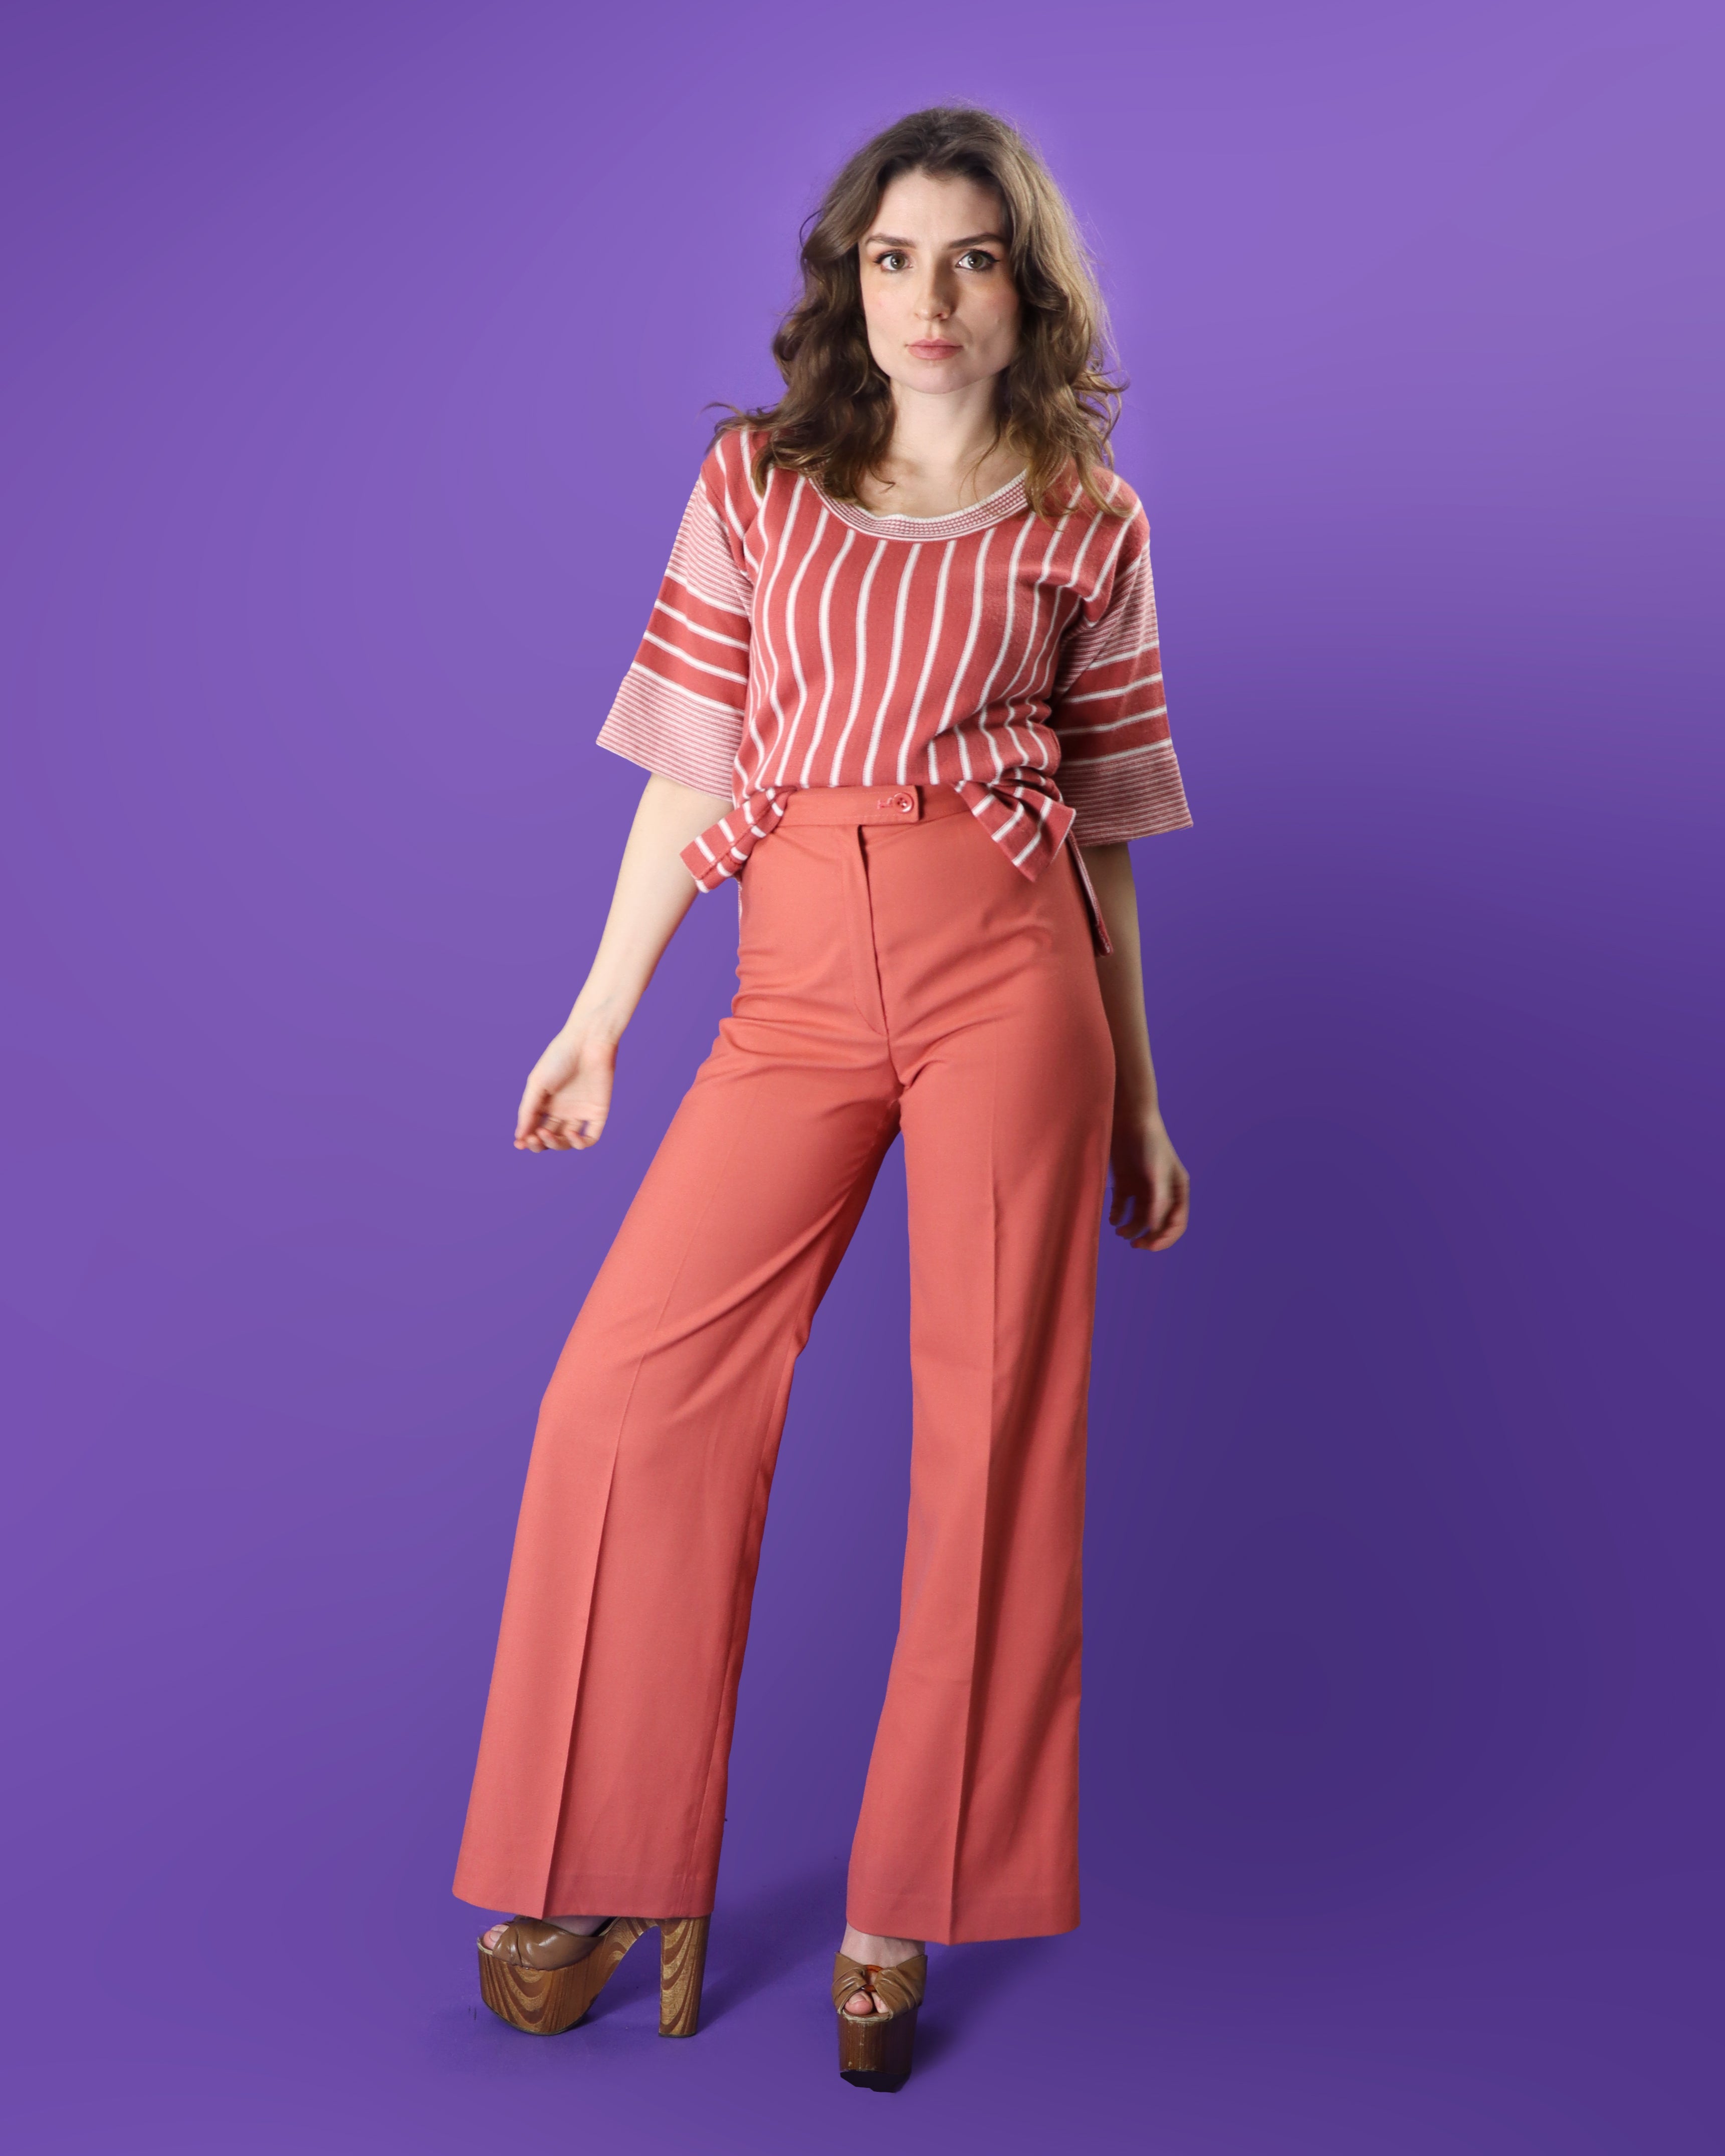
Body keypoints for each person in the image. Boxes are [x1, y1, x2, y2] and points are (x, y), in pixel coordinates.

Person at [454, 102, 1192, 2091]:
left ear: (1025, 289)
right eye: (890, 258)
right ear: (847, 283)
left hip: (1011, 966)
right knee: (625, 1391)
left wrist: (1139, 1094)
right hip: (788, 972)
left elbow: (1109, 828)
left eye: (969, 258)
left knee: (994, 1426)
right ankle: (605, 1860)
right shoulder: (756, 483)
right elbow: (690, 762)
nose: (926, 296)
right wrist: (602, 1015)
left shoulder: (1090, 519)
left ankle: (902, 1897)